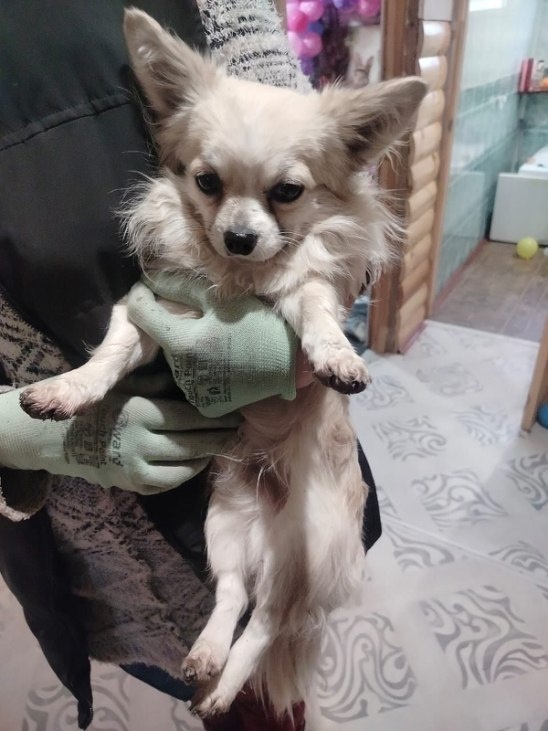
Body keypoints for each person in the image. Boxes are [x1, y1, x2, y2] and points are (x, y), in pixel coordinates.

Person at [0, 1, 382, 729]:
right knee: (210, 682)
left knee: (265, 706)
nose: (237, 224)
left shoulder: (223, 11)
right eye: (210, 184)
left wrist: (297, 346)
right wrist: (13, 433)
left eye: (281, 191)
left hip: (286, 467)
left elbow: (347, 225)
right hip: (87, 540)